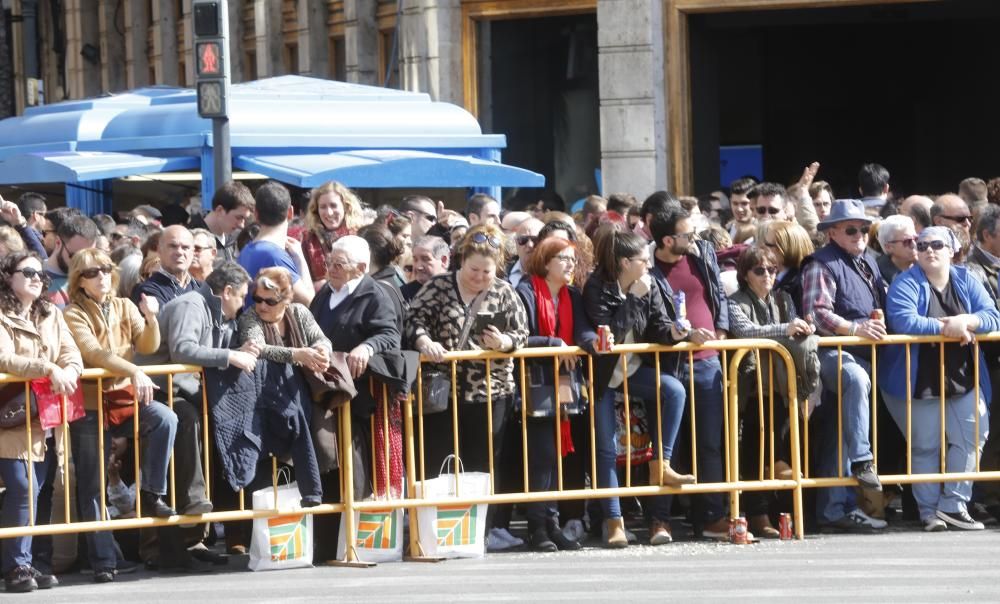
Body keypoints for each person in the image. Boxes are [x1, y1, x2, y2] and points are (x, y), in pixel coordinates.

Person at [63, 248, 179, 583]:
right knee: (92, 483)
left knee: (165, 418)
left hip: (127, 397)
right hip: (91, 403)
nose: (101, 276)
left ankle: (151, 493)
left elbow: (147, 345)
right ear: (79, 281)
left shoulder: (125, 304)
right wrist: (134, 372)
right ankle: (103, 560)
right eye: (92, 272)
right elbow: (93, 353)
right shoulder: (72, 313)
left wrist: (152, 318)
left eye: (106, 269)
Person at [881, 226, 1000, 532]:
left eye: (936, 244)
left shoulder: (966, 278)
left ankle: (953, 506)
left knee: (974, 435)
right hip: (917, 377)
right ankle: (928, 511)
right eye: (921, 246)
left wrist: (967, 321)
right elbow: (903, 319)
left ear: (952, 250)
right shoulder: (905, 281)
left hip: (962, 375)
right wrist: (949, 328)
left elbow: (992, 315)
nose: (928, 250)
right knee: (925, 446)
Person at [584, 226, 694, 548]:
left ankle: (661, 464)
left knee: (673, 389)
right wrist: (633, 297)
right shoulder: (596, 288)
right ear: (622, 262)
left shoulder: (651, 284)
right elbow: (612, 332)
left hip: (634, 370)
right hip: (603, 376)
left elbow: (659, 327)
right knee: (606, 449)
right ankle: (614, 521)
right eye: (642, 260)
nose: (648, 265)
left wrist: (677, 331)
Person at [406, 224, 528, 495]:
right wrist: (425, 341)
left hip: (491, 391)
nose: (480, 277)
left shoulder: (505, 292)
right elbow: (413, 320)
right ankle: (435, 523)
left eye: (487, 271)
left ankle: (480, 529)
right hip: (441, 393)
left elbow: (522, 333)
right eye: (474, 270)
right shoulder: (439, 286)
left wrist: (503, 342)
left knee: (483, 465)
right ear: (462, 261)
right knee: (437, 462)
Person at [310, 236, 403, 562]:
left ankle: (353, 543)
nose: (330, 268)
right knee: (326, 467)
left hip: (361, 400)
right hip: (325, 392)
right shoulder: (324, 294)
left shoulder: (374, 294)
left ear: (361, 269)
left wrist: (367, 347)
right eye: (330, 261)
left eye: (339, 264)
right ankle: (324, 546)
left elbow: (389, 334)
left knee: (355, 470)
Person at [801, 199, 888, 533]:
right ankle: (864, 459)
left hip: (863, 353)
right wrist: (855, 328)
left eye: (864, 229)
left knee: (841, 431)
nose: (860, 235)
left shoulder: (869, 262)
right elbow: (817, 313)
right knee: (854, 377)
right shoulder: (820, 264)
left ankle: (834, 508)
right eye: (851, 229)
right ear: (832, 232)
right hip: (830, 351)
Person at [0, 252, 83, 593]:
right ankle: (16, 566)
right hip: (10, 416)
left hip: (46, 417)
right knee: (23, 488)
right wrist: (48, 369)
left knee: (39, 491)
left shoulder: (51, 313)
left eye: (41, 275)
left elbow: (72, 355)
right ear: (8, 276)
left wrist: (69, 373)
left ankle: (28, 561)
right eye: (28, 272)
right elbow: (4, 357)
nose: (37, 278)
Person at [728, 246, 816, 538]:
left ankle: (783, 512)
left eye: (772, 270)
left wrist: (803, 329)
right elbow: (745, 331)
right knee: (754, 451)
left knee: (780, 443)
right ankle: (757, 514)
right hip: (751, 388)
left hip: (781, 386)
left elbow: (791, 330)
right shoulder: (735, 302)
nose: (767, 276)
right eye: (759, 270)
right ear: (745, 274)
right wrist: (786, 329)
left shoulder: (783, 298)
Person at [513, 237, 594, 552]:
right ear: (546, 262)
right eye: (563, 258)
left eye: (572, 259)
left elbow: (583, 331)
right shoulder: (526, 291)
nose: (570, 264)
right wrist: (554, 344)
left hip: (564, 381)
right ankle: (538, 527)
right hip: (534, 381)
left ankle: (552, 524)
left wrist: (590, 341)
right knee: (541, 457)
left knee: (556, 459)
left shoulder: (573, 294)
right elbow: (520, 337)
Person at [236, 267, 329, 505]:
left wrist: (322, 351)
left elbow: (320, 337)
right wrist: (297, 354)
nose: (262, 306)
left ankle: (313, 492)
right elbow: (259, 348)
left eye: (270, 301)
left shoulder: (299, 312)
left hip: (302, 392)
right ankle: (312, 491)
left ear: (286, 300)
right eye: (257, 299)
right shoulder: (250, 317)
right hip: (266, 398)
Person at [238, 181, 314, 305]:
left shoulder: (245, 251)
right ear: (290, 212)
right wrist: (300, 259)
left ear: (256, 214)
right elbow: (309, 301)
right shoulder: (275, 256)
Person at [301, 181, 363, 292]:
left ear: (345, 206)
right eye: (323, 207)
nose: (329, 212)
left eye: (334, 206)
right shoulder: (307, 240)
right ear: (316, 210)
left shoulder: (359, 236)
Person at [131, 225, 199, 307]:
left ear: (193, 252)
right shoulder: (147, 290)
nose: (179, 252)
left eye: (185, 247)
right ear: (159, 250)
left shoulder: (204, 288)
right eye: (173, 246)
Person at [188, 181, 255, 262]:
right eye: (238, 217)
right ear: (220, 210)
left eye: (244, 219)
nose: (242, 225)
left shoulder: (234, 240)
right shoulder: (189, 241)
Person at [44, 214, 98, 308]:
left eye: (89, 256)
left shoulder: (95, 276)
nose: (83, 263)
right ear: (58, 243)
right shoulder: (35, 277)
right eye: (75, 256)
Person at [762, 221, 814, 316]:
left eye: (768, 245)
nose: (763, 248)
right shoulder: (769, 274)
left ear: (785, 248)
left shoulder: (802, 282)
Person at [401, 235, 450, 303]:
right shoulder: (403, 295)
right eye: (415, 260)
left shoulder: (459, 291)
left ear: (443, 261)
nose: (418, 267)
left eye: (425, 259)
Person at [875, 215, 917, 284]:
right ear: (888, 247)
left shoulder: (926, 266)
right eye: (907, 241)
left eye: (916, 239)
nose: (914, 245)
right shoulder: (877, 277)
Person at [508, 218, 544, 289]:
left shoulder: (552, 275)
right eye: (523, 240)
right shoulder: (500, 271)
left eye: (535, 240)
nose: (530, 245)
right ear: (515, 242)